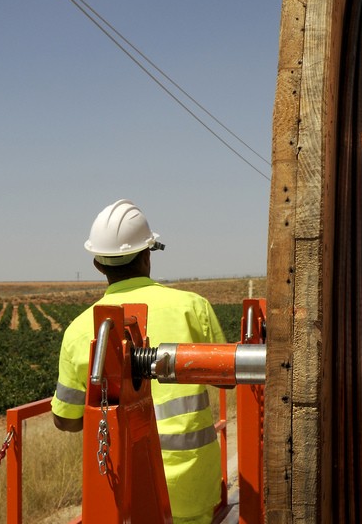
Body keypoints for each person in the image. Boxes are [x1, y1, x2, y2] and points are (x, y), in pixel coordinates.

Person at [51, 199, 228, 524]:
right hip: (189, 486)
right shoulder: (192, 307)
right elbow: (226, 378)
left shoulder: (79, 330)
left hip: (119, 491)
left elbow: (67, 420)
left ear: (98, 265)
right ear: (147, 255)